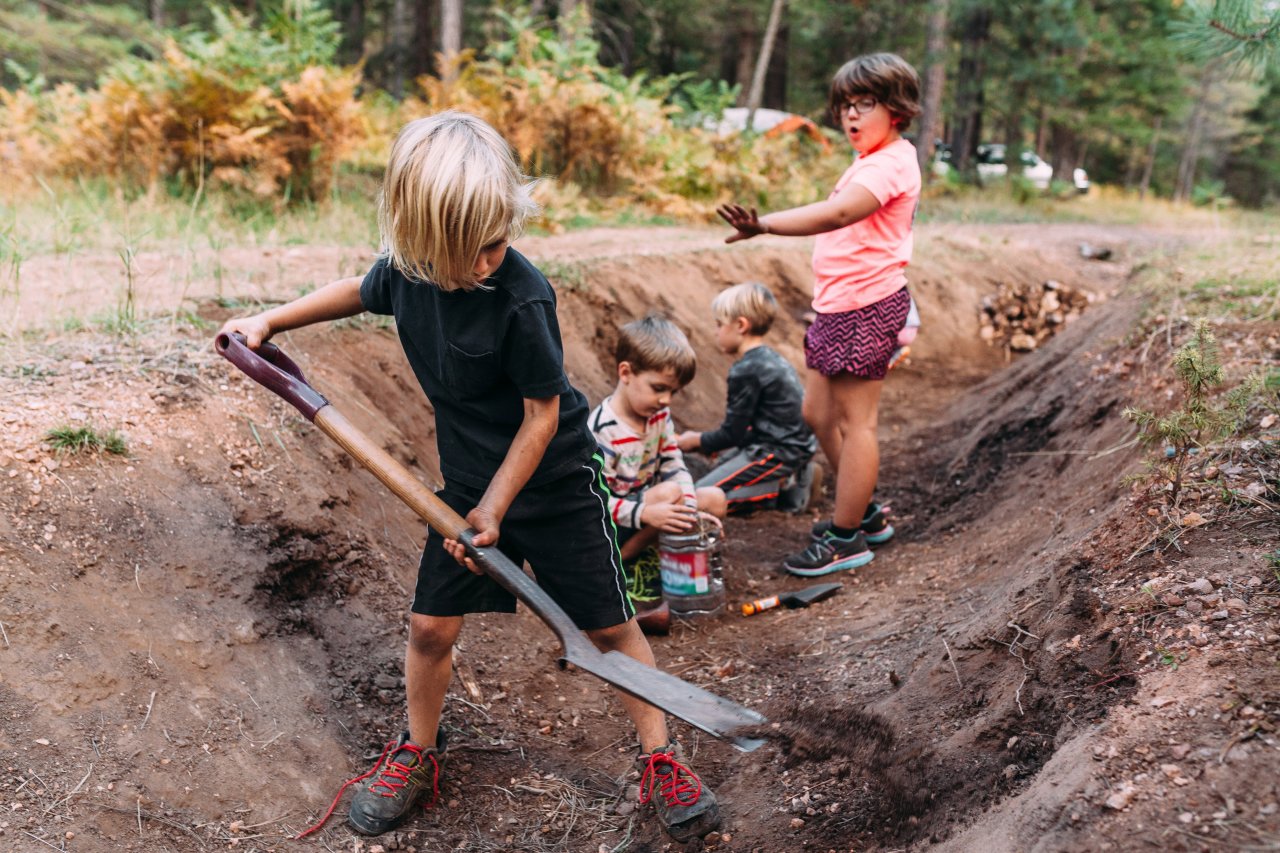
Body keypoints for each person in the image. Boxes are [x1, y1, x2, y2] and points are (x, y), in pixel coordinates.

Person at [217, 111, 720, 844]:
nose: (491, 257)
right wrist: (272, 321)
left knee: (611, 628)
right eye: (474, 247)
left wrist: (494, 508)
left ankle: (661, 757)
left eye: (498, 238)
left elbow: (542, 416)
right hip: (465, 486)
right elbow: (358, 289)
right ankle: (419, 751)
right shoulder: (409, 274)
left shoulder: (522, 295)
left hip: (551, 486)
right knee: (429, 627)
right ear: (422, 239)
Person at [717, 52, 920, 577]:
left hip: (867, 306)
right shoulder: (868, 159)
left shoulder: (894, 161)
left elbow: (839, 213)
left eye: (866, 104)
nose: (852, 116)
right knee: (817, 415)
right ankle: (865, 510)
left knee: (858, 425)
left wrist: (766, 225)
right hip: (836, 307)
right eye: (846, 105)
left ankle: (847, 536)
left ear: (896, 108)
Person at [589, 315, 728, 607]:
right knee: (668, 493)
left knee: (713, 499)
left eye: (673, 392)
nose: (666, 400)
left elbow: (674, 465)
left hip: (648, 509)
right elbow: (594, 500)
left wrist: (689, 510)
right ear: (626, 373)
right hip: (609, 526)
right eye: (659, 388)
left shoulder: (658, 417)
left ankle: (661, 551)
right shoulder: (604, 430)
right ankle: (623, 564)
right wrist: (644, 514)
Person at [675, 281, 818, 514]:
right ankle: (794, 474)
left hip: (778, 450)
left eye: (719, 324)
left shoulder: (746, 371)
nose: (715, 332)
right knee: (721, 465)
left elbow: (733, 433)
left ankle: (786, 489)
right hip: (791, 443)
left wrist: (697, 441)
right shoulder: (771, 358)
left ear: (740, 325)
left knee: (701, 496)